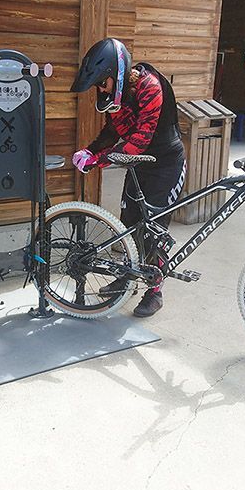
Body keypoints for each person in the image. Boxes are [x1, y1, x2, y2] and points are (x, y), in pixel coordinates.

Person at [70, 38, 186, 318]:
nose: (100, 89)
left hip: (164, 165)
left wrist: (98, 160)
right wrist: (90, 149)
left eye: (102, 82)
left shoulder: (150, 87)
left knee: (154, 232)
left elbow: (140, 140)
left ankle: (154, 292)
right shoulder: (116, 96)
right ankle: (126, 277)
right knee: (128, 224)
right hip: (137, 164)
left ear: (117, 74)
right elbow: (114, 131)